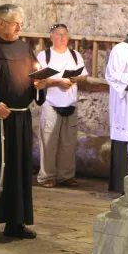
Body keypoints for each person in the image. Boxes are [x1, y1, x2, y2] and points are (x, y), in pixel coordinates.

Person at [0, 4, 47, 244]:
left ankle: (16, 222)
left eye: (21, 24)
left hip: (21, 118)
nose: (20, 28)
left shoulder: (23, 48)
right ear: (1, 23)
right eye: (15, 24)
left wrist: (39, 86)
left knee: (19, 170)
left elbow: (34, 77)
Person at [36, 23, 89, 188]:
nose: (62, 37)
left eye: (65, 34)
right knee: (48, 142)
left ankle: (66, 175)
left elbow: (84, 76)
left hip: (70, 103)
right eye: (58, 34)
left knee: (68, 142)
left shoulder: (75, 55)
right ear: (51, 37)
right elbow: (39, 80)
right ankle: (47, 176)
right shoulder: (44, 56)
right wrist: (58, 82)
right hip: (50, 103)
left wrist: (75, 79)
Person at [105, 20, 128, 194]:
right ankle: (121, 186)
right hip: (126, 105)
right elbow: (111, 75)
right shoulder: (120, 49)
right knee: (126, 142)